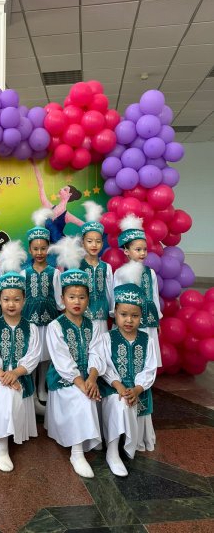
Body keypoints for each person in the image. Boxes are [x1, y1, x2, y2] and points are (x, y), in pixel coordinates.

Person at [0, 240, 41, 472]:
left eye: (16, 299)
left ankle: (5, 441)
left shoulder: (31, 327)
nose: (11, 304)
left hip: (20, 376)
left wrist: (15, 373)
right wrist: (3, 375)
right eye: (6, 299)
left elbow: (33, 355)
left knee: (12, 389)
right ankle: (2, 445)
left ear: (24, 300)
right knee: (4, 391)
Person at [45, 236, 105, 479]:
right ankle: (77, 452)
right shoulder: (55, 326)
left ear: (88, 299)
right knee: (83, 397)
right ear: (63, 299)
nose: (77, 301)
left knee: (97, 393)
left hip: (89, 377)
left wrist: (92, 377)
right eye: (71, 297)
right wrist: (82, 383)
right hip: (65, 379)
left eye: (81, 297)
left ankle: (94, 437)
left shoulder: (94, 325)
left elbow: (98, 353)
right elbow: (62, 362)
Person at [99, 263, 158, 477]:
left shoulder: (147, 339)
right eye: (123, 314)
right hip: (114, 389)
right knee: (120, 402)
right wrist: (120, 387)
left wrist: (138, 389)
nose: (129, 320)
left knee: (129, 400)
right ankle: (113, 451)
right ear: (115, 313)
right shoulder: (107, 338)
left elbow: (150, 368)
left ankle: (130, 442)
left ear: (141, 316)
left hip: (138, 391)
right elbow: (105, 367)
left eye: (134, 316)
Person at [20, 208, 62, 411]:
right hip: (30, 321)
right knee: (33, 356)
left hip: (49, 320)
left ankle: (41, 388)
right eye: (35, 249)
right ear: (30, 250)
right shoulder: (23, 273)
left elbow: (59, 299)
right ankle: (33, 391)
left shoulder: (54, 273)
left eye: (43, 248)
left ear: (48, 249)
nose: (39, 252)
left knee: (46, 355)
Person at [115, 214, 162, 367]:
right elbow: (116, 299)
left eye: (145, 249)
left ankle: (147, 375)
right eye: (138, 249)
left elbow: (154, 297)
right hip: (128, 319)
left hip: (148, 319)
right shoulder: (120, 273)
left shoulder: (150, 273)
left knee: (147, 351)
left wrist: (157, 319)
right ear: (126, 251)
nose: (142, 253)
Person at [79, 201, 114, 337]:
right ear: (82, 243)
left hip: (101, 317)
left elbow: (110, 292)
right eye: (89, 241)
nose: (94, 245)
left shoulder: (106, 267)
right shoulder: (77, 266)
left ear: (102, 243)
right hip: (81, 316)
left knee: (101, 346)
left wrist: (113, 312)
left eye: (98, 241)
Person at [31, 160, 83, 244]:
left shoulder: (67, 216)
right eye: (62, 188)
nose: (61, 189)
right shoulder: (48, 206)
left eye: (65, 189)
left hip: (62, 246)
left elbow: (86, 226)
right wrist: (34, 165)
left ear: (69, 195)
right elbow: (40, 185)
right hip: (49, 246)